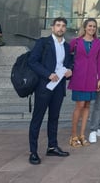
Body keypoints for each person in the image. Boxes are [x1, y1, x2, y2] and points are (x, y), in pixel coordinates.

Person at [28, 17, 73, 165]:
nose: (61, 28)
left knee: (54, 117)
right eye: (58, 25)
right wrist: (48, 74)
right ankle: (33, 152)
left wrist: (70, 71)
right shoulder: (43, 42)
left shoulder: (67, 46)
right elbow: (32, 61)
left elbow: (68, 63)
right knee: (37, 118)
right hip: (44, 86)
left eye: (63, 26)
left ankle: (52, 147)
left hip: (58, 87)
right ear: (52, 27)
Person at [67, 18, 100, 147]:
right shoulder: (76, 42)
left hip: (91, 79)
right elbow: (67, 56)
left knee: (87, 106)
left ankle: (82, 135)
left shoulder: (98, 43)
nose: (92, 28)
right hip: (78, 77)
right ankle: (73, 136)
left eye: (94, 26)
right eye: (90, 26)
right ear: (85, 27)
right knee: (80, 105)